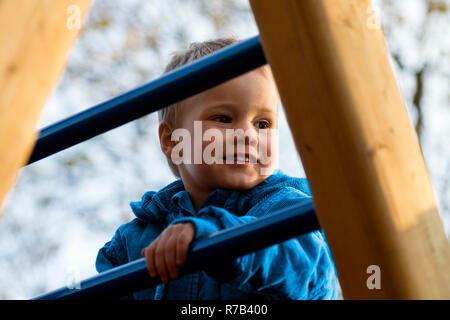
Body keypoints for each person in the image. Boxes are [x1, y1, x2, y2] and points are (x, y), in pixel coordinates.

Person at [96, 35, 339, 300]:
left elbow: (311, 273)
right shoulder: (134, 241)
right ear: (172, 140)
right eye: (223, 118)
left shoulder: (289, 209)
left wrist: (220, 237)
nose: (249, 135)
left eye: (263, 124)